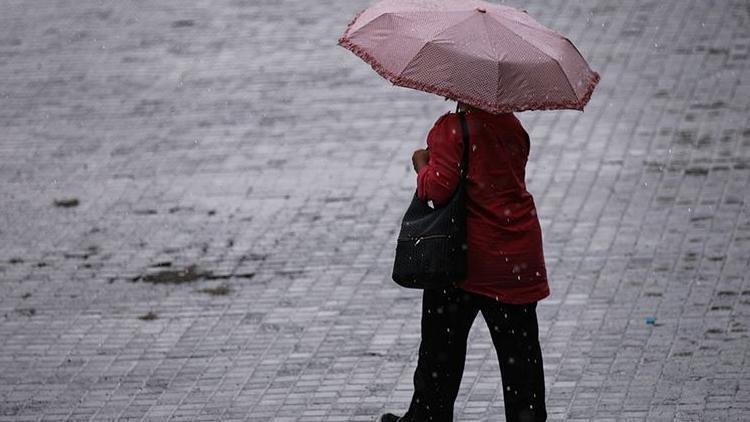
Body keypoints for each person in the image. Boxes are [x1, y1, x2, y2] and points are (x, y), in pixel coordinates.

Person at [381, 101, 550, 422]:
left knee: (440, 351)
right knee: (521, 357)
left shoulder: (453, 129)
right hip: (517, 257)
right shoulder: (512, 127)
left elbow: (437, 190)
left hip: (465, 260)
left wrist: (422, 165)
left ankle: (427, 416)